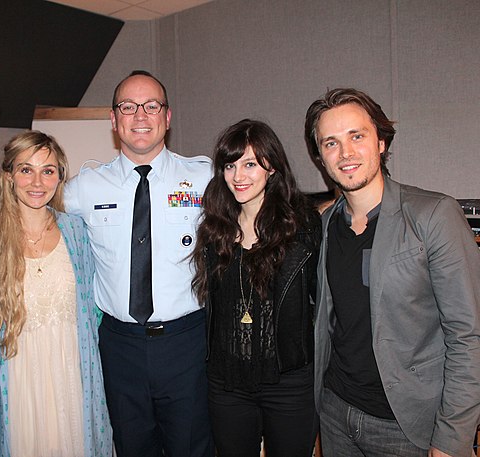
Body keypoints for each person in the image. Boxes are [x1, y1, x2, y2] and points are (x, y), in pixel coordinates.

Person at [305, 88, 480, 457]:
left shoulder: (434, 215)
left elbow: (469, 336)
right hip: (336, 413)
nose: (346, 153)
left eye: (357, 136)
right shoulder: (323, 226)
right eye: (331, 143)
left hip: (407, 426)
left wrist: (452, 437)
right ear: (320, 157)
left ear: (381, 142)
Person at [64, 70, 214, 457]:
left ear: (168, 117)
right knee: (130, 448)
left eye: (152, 106)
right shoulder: (84, 187)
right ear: (114, 121)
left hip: (187, 344)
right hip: (120, 347)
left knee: (192, 448)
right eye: (128, 107)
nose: (140, 116)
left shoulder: (205, 178)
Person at [191, 119, 320, 456]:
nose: (238, 176)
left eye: (249, 164)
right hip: (227, 383)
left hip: (289, 381)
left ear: (272, 167)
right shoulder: (214, 230)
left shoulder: (302, 227)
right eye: (230, 165)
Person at [0, 130, 112, 457]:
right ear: (9, 176)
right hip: (17, 378)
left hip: (73, 374)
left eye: (48, 170)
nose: (37, 181)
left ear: (60, 177)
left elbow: (96, 309)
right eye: (26, 169)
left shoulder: (77, 231)